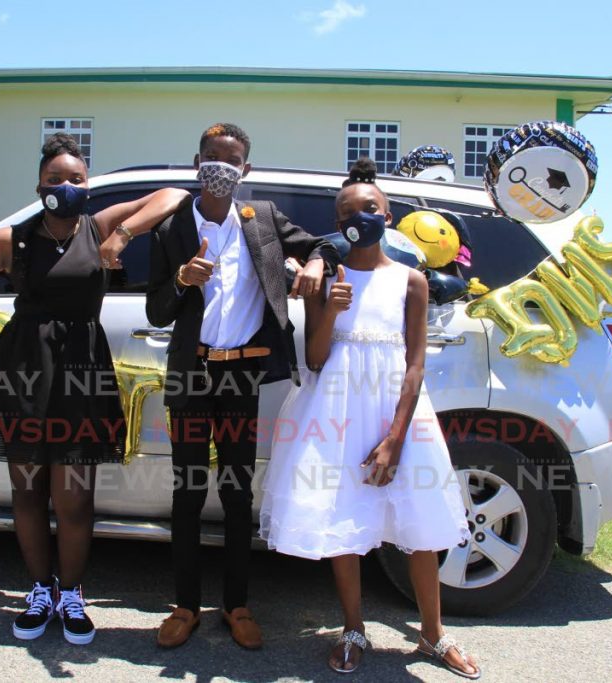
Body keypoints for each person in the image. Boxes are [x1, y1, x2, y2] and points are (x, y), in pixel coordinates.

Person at [0, 133, 190, 646]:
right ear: (38, 185)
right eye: (54, 179)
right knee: (27, 492)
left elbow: (173, 195)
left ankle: (71, 594)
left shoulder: (98, 226)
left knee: (74, 498)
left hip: (80, 375)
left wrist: (123, 235)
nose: (65, 186)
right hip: (23, 372)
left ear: (88, 185)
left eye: (75, 179)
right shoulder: (15, 240)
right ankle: (39, 592)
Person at [258, 157, 481, 677]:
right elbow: (314, 359)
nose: (359, 215)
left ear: (388, 213)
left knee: (419, 521)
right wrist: (330, 310)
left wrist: (396, 438)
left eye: (370, 207)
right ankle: (354, 628)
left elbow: (416, 362)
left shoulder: (411, 281)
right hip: (334, 412)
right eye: (347, 212)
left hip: (397, 416)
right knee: (345, 520)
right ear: (337, 226)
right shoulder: (325, 281)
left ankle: (432, 634)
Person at [146, 123, 339, 650]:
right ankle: (184, 606)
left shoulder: (264, 221)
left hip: (240, 376)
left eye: (231, 162)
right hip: (192, 373)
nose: (220, 169)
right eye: (212, 158)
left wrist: (318, 261)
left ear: (246, 171)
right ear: (196, 161)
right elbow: (155, 310)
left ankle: (236, 605)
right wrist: (181, 280)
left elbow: (325, 243)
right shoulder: (170, 229)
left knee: (235, 494)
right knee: (187, 494)